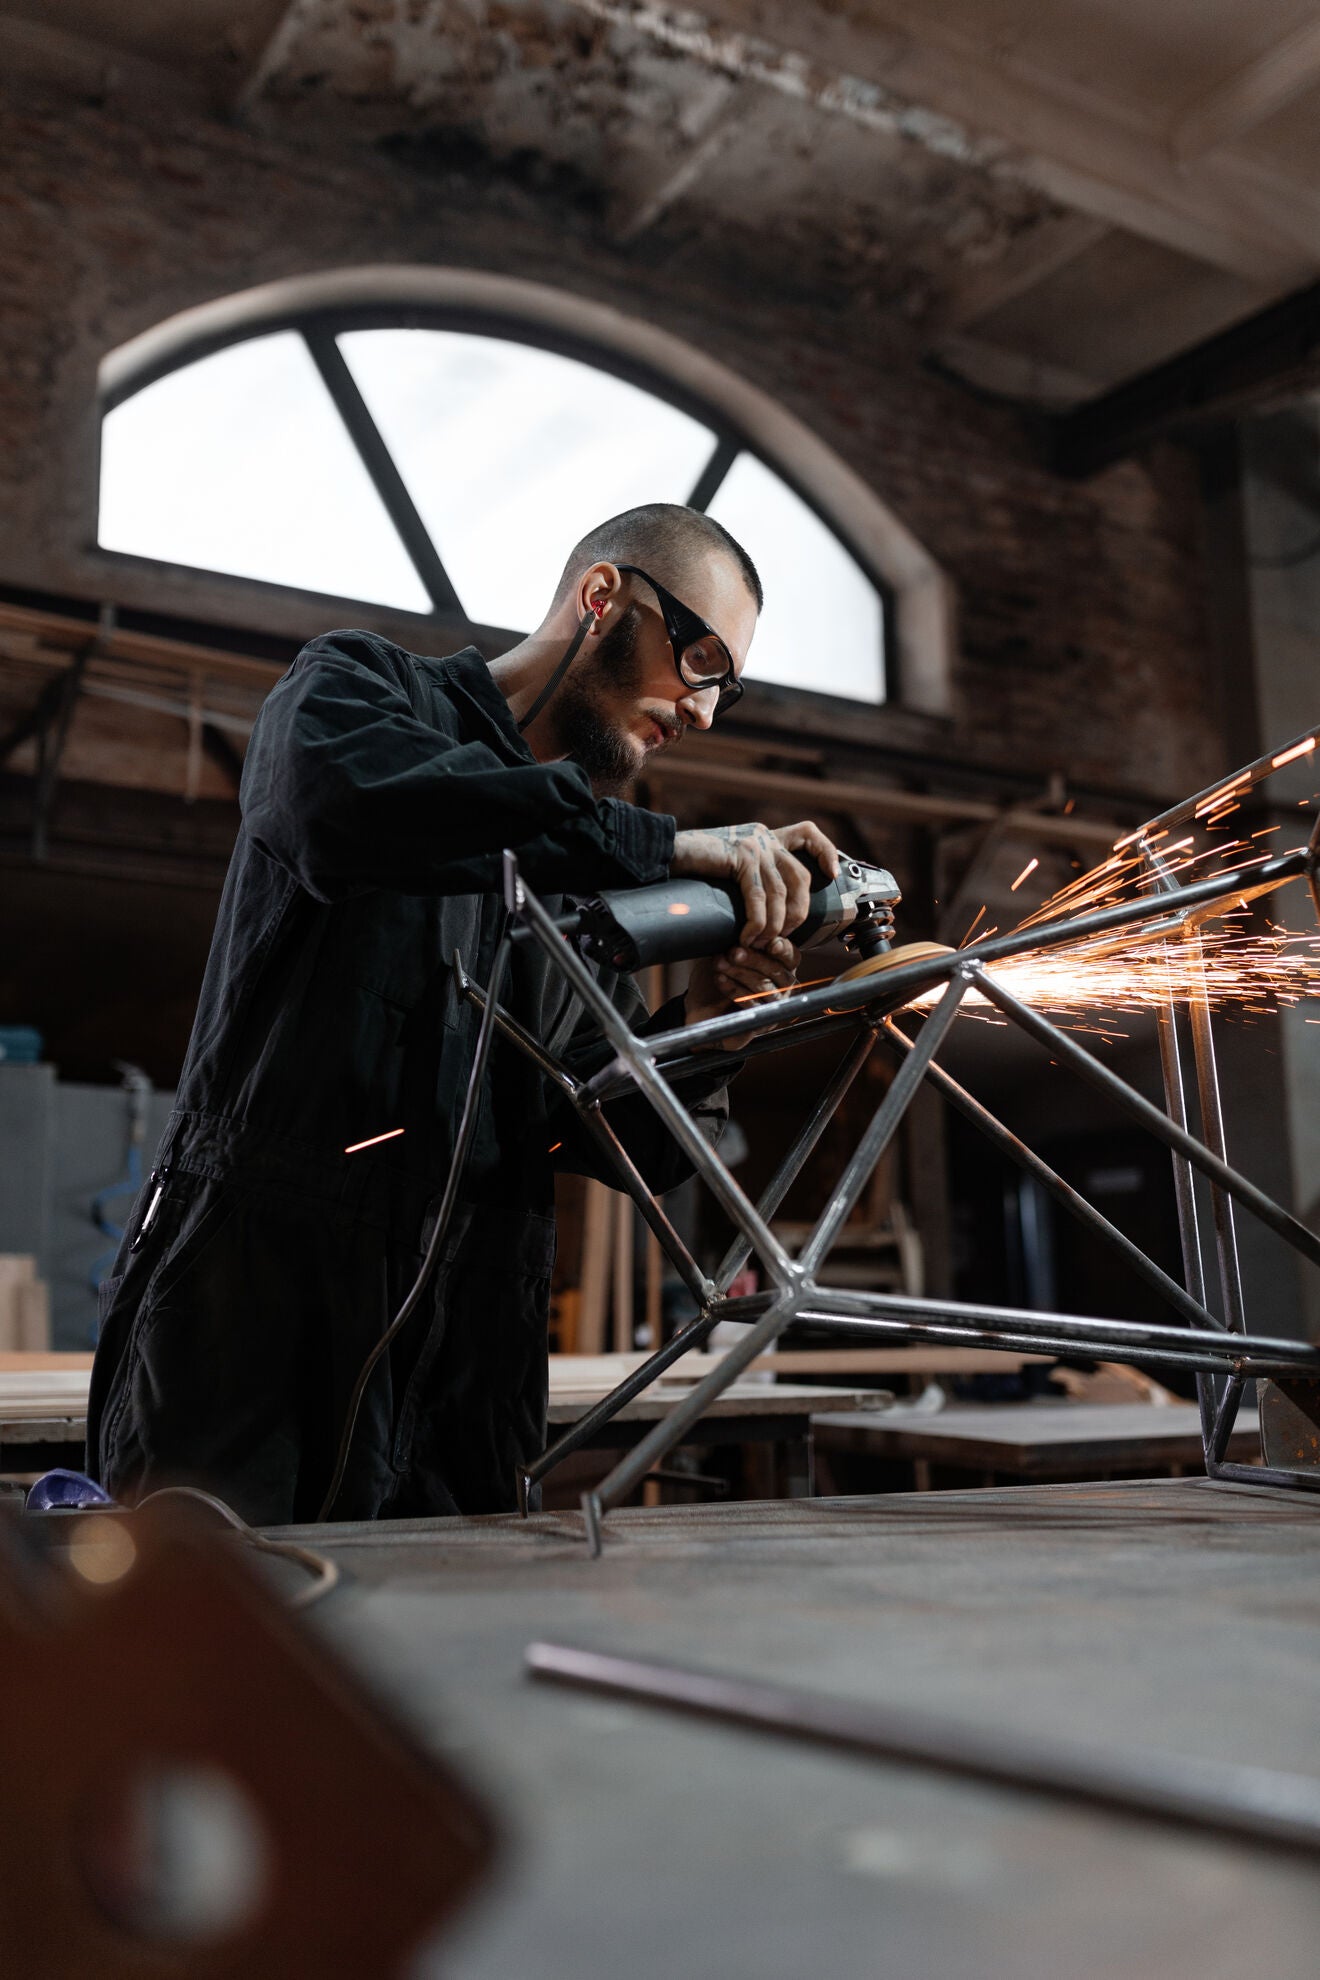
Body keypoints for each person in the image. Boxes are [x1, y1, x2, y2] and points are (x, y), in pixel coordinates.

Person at [86, 503, 842, 1524]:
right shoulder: (357, 691)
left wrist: (730, 1017)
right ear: (602, 597)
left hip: (466, 1368)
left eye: (727, 689)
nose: (703, 711)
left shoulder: (581, 891)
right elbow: (338, 811)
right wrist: (659, 847)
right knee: (212, 1660)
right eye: (699, 658)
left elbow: (625, 1138)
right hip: (252, 1331)